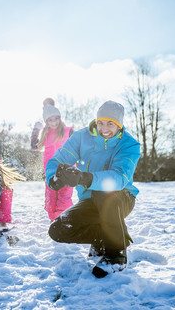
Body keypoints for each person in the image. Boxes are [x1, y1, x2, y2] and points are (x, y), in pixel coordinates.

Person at [45, 100, 141, 274]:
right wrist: (54, 177)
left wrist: (84, 178)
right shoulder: (82, 137)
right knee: (57, 230)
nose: (104, 128)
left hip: (121, 197)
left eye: (110, 124)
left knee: (105, 193)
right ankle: (105, 238)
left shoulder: (129, 145)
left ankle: (116, 255)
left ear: (119, 124)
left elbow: (118, 178)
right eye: (101, 123)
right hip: (90, 199)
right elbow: (58, 159)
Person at [31, 98, 74, 221]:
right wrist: (35, 131)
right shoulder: (45, 134)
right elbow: (34, 147)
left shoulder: (68, 131)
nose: (54, 122)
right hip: (50, 170)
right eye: (50, 120)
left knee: (64, 195)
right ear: (46, 121)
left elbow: (79, 144)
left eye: (56, 118)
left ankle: (63, 219)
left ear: (60, 118)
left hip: (67, 168)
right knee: (51, 196)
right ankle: (54, 219)